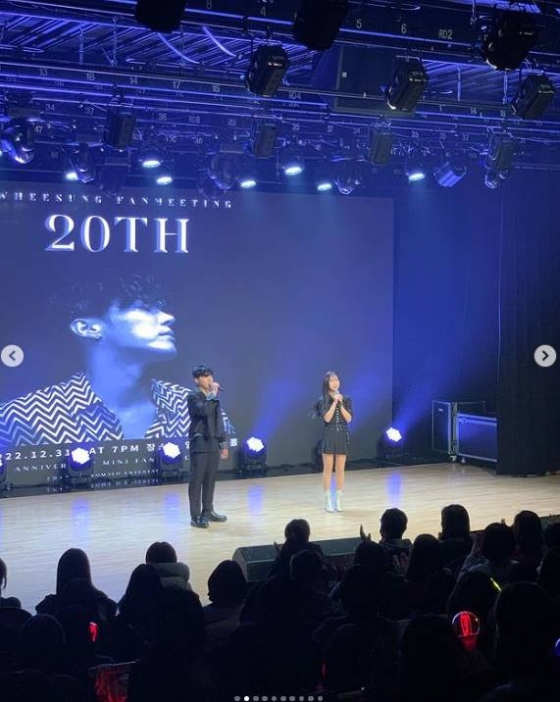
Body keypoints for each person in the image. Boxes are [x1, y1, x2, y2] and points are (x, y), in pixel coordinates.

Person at [0, 273, 234, 451]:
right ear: (88, 328)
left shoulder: (193, 406)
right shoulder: (21, 417)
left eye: (162, 307)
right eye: (144, 308)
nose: (168, 317)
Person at [187, 364, 229, 528]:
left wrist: (223, 442)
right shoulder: (193, 396)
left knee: (210, 479)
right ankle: (195, 516)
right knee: (197, 480)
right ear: (196, 380)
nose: (209, 379)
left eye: (210, 375)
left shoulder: (213, 397)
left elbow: (218, 421)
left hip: (213, 442)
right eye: (205, 376)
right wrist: (213, 394)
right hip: (200, 443)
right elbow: (203, 411)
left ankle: (208, 511)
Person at [315, 371, 352, 512]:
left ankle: (338, 499)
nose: (335, 383)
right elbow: (327, 418)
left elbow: (349, 419)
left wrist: (341, 404)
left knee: (340, 469)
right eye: (332, 381)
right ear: (327, 383)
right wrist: (334, 402)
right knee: (328, 469)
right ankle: (328, 499)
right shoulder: (322, 400)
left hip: (342, 434)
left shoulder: (346, 399)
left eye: (337, 380)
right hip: (329, 434)